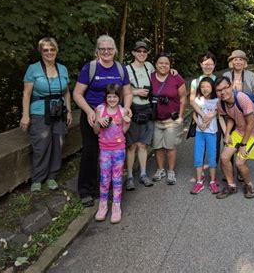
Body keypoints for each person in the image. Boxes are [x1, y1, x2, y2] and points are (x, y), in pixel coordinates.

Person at [73, 35, 133, 208]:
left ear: (114, 51)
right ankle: (87, 190)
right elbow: (77, 93)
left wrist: (127, 108)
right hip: (93, 115)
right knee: (91, 151)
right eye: (102, 49)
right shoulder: (90, 68)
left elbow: (128, 92)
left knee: (113, 151)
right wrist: (90, 112)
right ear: (97, 51)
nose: (106, 52)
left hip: (115, 117)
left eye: (109, 49)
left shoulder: (121, 69)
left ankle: (109, 188)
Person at [21, 37, 72, 192]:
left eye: (52, 49)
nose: (49, 52)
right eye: (46, 50)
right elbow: (26, 94)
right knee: (41, 145)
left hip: (59, 111)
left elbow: (66, 92)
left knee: (58, 143)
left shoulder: (62, 69)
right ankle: (38, 178)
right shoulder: (33, 69)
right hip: (39, 111)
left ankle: (52, 177)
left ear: (56, 51)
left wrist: (69, 110)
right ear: (41, 52)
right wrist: (25, 115)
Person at [215, 76, 254, 199]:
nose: (223, 92)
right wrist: (227, 134)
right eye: (219, 90)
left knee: (239, 162)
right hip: (239, 130)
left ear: (231, 86)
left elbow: (251, 123)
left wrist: (243, 145)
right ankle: (231, 185)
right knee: (224, 157)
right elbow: (230, 118)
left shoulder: (241, 98)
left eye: (225, 88)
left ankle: (248, 185)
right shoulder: (220, 104)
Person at [93, 84, 130, 224]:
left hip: (119, 149)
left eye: (115, 96)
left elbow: (124, 131)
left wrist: (127, 122)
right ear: (106, 97)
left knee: (117, 178)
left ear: (119, 97)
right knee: (104, 178)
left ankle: (116, 206)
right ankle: (102, 205)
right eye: (109, 96)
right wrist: (98, 122)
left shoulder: (122, 111)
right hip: (104, 149)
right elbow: (96, 131)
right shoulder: (100, 110)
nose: (112, 99)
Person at [150, 52, 187, 185]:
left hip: (172, 120)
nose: (163, 65)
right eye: (161, 63)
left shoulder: (176, 77)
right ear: (155, 64)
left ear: (170, 65)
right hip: (156, 119)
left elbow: (183, 98)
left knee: (170, 146)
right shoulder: (150, 77)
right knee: (158, 146)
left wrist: (181, 117)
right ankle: (161, 169)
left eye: (166, 63)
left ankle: (171, 171)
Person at [124, 41, 155, 190]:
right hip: (133, 108)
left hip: (147, 108)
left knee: (143, 145)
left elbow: (161, 75)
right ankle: (129, 176)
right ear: (133, 53)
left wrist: (172, 70)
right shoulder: (126, 69)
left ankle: (143, 174)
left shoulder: (149, 67)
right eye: (139, 51)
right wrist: (135, 92)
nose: (142, 53)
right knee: (131, 146)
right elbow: (120, 90)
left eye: (144, 51)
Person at [190, 77, 225, 195]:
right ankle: (199, 181)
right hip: (200, 132)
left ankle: (213, 181)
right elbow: (194, 115)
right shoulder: (198, 99)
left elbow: (218, 114)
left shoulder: (217, 101)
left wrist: (209, 119)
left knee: (212, 156)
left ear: (213, 88)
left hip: (212, 132)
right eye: (202, 86)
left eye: (208, 86)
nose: (205, 89)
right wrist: (199, 123)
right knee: (198, 156)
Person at [189, 51, 220, 177]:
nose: (208, 66)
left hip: (215, 118)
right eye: (205, 64)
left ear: (214, 65)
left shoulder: (218, 80)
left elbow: (220, 101)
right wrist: (202, 115)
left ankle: (213, 170)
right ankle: (200, 171)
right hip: (200, 117)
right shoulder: (195, 82)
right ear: (200, 64)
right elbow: (192, 100)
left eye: (211, 64)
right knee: (200, 147)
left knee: (215, 145)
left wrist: (212, 115)